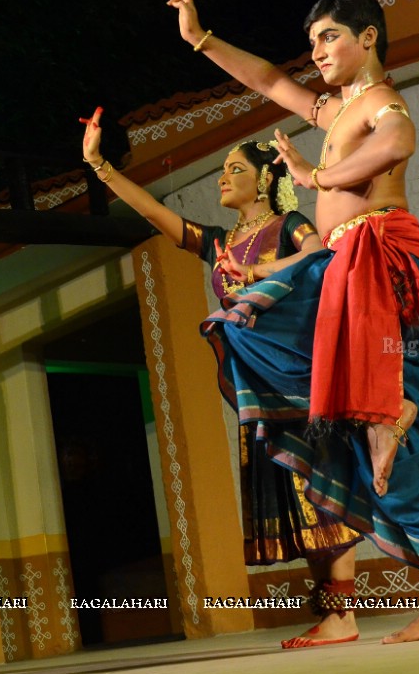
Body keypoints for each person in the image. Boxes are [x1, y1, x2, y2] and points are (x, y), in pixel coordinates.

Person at [166, 0, 419, 644]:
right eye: (311, 40)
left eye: (329, 36)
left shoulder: (380, 101)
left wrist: (317, 177)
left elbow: (397, 142)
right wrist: (201, 39)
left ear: (367, 37)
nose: (315, 52)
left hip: (378, 257)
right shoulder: (335, 111)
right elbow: (266, 82)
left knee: (384, 445)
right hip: (343, 267)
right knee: (361, 442)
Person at [80, 111, 364, 645]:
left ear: (264, 179)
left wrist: (257, 273)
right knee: (289, 489)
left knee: (319, 484)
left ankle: (342, 615)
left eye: (235, 168)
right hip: (253, 375)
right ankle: (333, 613)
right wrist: (99, 166)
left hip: (297, 369)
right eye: (222, 170)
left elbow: (317, 255)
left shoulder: (289, 225)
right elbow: (154, 215)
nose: (222, 178)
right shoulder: (217, 243)